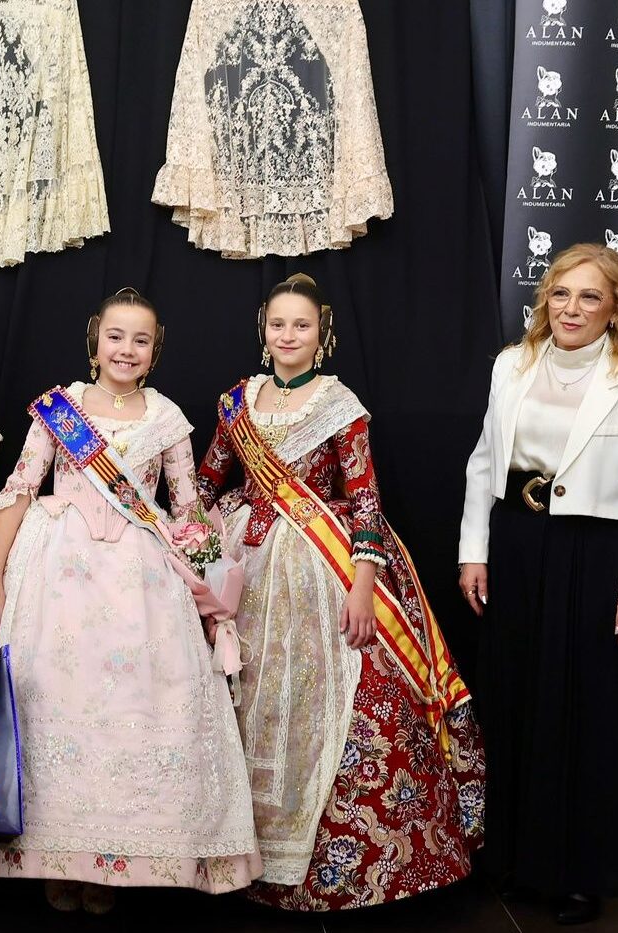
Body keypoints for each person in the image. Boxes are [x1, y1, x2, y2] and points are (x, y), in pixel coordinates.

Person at [195, 273, 485, 911]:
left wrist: (362, 585)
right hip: (244, 566)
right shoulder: (236, 401)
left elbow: (366, 501)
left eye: (301, 326)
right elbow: (206, 483)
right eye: (278, 324)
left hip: (321, 565)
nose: (288, 336)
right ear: (262, 330)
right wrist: (198, 546)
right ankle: (233, 856)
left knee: (329, 697)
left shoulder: (339, 404)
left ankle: (330, 872)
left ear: (321, 335)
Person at [0, 289, 261, 914]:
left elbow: (187, 510)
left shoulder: (167, 417)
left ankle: (116, 862)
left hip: (142, 575)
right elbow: (19, 491)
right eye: (115, 336)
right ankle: (57, 856)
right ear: (94, 339)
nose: (125, 349)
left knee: (135, 708)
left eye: (140, 340)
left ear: (155, 351)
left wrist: (212, 594)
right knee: (54, 702)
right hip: (58, 575)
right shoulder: (61, 409)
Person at [457, 243, 618, 925]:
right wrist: (474, 551)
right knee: (516, 696)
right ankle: (515, 860)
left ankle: (583, 874)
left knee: (589, 708)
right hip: (517, 544)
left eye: (589, 296)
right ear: (544, 300)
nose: (571, 308)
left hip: (595, 553)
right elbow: (484, 462)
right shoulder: (511, 364)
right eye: (560, 293)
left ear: (616, 308)